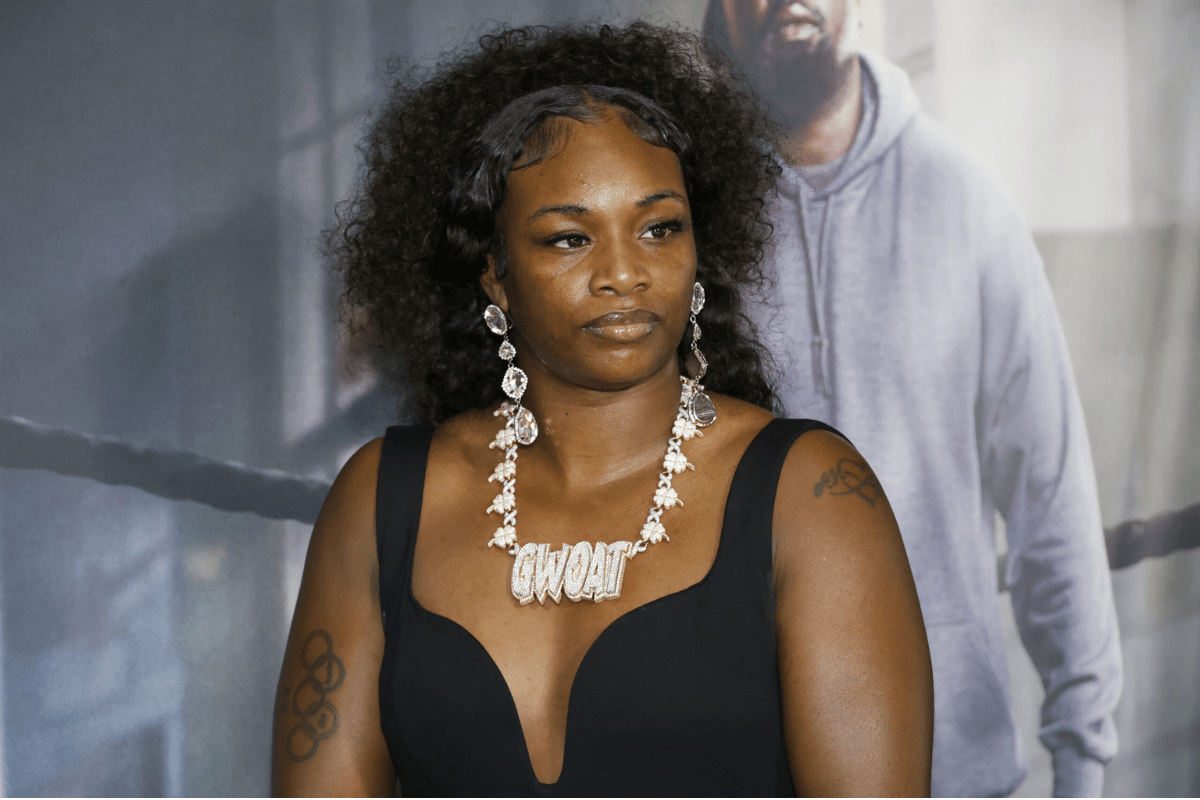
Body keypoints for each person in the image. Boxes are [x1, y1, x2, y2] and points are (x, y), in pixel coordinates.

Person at [271, 22, 933, 796]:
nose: (624, 272)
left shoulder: (812, 496)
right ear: (494, 273)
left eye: (660, 228)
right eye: (569, 238)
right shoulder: (381, 501)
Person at [702, 1, 1123, 796]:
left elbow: (1050, 489)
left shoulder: (966, 202)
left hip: (955, 770)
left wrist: (1083, 759)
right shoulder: (689, 220)